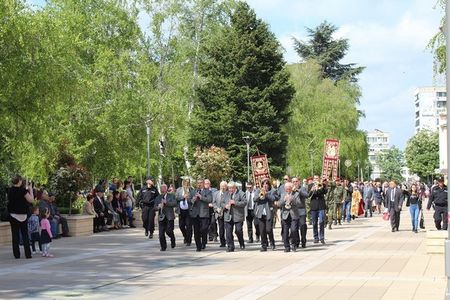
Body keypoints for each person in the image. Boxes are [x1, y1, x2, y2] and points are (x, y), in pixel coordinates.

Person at [7, 175, 34, 259]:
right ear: (19, 181)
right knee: (25, 235)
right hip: (23, 215)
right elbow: (31, 200)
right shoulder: (23, 191)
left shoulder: (9, 190)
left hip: (13, 215)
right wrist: (30, 190)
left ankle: (16, 254)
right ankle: (28, 254)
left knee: (15, 236)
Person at [220, 182, 247, 252]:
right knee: (228, 232)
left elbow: (244, 202)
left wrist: (235, 202)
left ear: (235, 187)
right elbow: (221, 202)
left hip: (238, 215)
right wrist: (225, 206)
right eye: (229, 188)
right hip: (228, 215)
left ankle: (241, 242)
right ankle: (230, 247)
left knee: (238, 231)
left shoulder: (241, 193)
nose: (230, 190)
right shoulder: (226, 194)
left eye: (232, 188)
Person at [190, 179, 212, 252]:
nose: (199, 184)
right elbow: (189, 200)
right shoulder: (193, 191)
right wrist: (192, 200)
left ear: (203, 183)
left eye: (201, 183)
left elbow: (210, 200)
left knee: (204, 229)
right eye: (198, 183)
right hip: (195, 214)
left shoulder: (208, 191)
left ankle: (204, 242)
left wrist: (201, 197)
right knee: (196, 231)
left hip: (204, 213)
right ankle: (198, 246)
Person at [254, 179, 277, 251]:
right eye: (263, 184)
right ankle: (263, 245)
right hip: (261, 213)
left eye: (266, 184)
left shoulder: (272, 191)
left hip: (269, 212)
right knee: (262, 230)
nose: (265, 185)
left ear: (269, 185)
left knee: (269, 229)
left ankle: (272, 242)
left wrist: (266, 194)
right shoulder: (258, 191)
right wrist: (260, 195)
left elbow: (274, 198)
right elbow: (254, 199)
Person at [278, 182, 301, 252]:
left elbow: (299, 203)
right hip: (285, 215)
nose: (287, 190)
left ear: (291, 188)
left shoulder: (296, 194)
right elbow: (279, 204)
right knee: (285, 232)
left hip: (293, 215)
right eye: (286, 188)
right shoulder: (282, 194)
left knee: (294, 230)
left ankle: (293, 244)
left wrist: (292, 199)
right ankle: (286, 247)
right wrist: (284, 200)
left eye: (289, 188)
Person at [154, 184, 177, 251]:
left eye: (163, 188)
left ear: (166, 189)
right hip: (161, 217)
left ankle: (172, 238)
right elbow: (154, 207)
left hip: (169, 216)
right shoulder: (158, 197)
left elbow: (175, 203)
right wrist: (158, 207)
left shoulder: (171, 196)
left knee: (169, 231)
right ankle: (163, 247)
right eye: (161, 188)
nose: (162, 190)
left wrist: (166, 202)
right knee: (161, 234)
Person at [308, 177, 328, 244]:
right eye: (315, 179)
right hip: (314, 206)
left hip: (321, 206)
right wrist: (312, 190)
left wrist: (320, 188)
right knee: (314, 223)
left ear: (319, 179)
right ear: (313, 180)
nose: (316, 180)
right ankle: (316, 237)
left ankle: (322, 237)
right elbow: (308, 195)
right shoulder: (310, 186)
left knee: (322, 222)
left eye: (317, 178)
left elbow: (325, 192)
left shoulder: (322, 185)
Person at [175, 177, 194, 246]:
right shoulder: (179, 190)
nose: (185, 184)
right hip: (181, 210)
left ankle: (189, 240)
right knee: (181, 226)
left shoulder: (192, 190)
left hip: (189, 210)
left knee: (189, 226)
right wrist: (183, 197)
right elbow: (176, 198)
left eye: (187, 183)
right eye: (184, 183)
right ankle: (185, 236)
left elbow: (193, 200)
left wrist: (188, 197)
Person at [292, 177, 309, 248]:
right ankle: (296, 241)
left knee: (302, 226)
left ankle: (303, 240)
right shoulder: (290, 189)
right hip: (293, 211)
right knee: (294, 228)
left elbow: (306, 195)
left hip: (301, 210)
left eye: (296, 181)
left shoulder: (302, 188)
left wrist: (298, 190)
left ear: (299, 182)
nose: (295, 183)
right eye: (293, 182)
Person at [213, 181, 228, 247]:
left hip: (227, 213)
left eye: (224, 186)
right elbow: (214, 203)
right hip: (219, 213)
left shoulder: (228, 194)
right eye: (221, 186)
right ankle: (222, 242)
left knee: (228, 228)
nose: (223, 187)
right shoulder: (215, 193)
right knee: (221, 228)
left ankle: (229, 240)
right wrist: (217, 209)